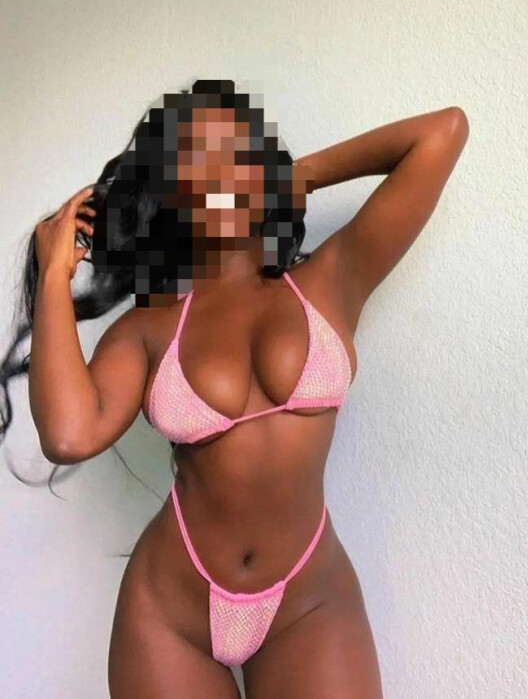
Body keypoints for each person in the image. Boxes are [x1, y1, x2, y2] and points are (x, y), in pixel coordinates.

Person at [9, 79, 469, 698]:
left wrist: (296, 177)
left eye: (236, 155)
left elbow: (442, 132)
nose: (220, 176)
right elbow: (69, 435)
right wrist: (54, 276)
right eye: (196, 164)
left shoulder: (332, 280)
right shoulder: (149, 328)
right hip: (170, 616)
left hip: (310, 604)